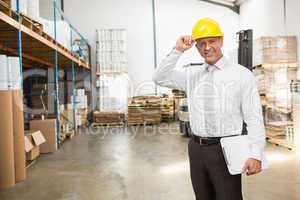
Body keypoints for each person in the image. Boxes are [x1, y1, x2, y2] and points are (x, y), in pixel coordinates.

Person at [152, 17, 266, 200]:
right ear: (196, 47)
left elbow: (254, 118)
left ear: (221, 40)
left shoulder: (241, 75)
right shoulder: (192, 76)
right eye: (202, 43)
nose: (207, 47)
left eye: (212, 41)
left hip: (226, 150)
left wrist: (256, 154)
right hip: (196, 149)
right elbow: (159, 77)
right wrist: (178, 50)